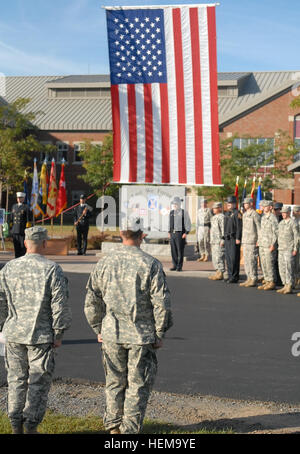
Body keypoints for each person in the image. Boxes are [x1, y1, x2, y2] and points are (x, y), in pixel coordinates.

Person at [84, 217, 173, 435]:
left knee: (114, 382)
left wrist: (98, 328)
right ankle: (129, 432)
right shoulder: (150, 264)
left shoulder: (105, 262)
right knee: (137, 384)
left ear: (121, 234)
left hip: (112, 332)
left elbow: (91, 300)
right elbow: (162, 303)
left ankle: (114, 428)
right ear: (142, 235)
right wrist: (160, 332)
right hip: (141, 336)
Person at [0, 226, 71, 434]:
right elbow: (60, 304)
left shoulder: (8, 268)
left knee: (16, 380)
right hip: (41, 336)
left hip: (13, 334)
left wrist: (3, 326)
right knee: (38, 382)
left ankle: (15, 425)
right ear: (45, 243)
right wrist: (58, 333)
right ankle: (31, 426)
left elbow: (0, 302)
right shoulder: (51, 269)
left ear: (25, 243)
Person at [276, 206, 298, 295]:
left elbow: (296, 237)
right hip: (281, 248)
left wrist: (295, 248)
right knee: (282, 268)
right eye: (282, 213)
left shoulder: (293, 223)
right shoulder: (281, 223)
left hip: (289, 248)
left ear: (289, 213)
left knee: (289, 267)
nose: (283, 214)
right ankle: (285, 284)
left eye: (285, 212)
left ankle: (289, 285)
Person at [257, 201, 278, 291]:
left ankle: (272, 281)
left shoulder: (272, 218)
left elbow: (276, 232)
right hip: (262, 244)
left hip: (269, 244)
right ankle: (267, 280)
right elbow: (261, 231)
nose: (264, 207)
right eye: (263, 206)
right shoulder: (263, 217)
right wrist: (258, 241)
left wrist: (273, 244)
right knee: (264, 263)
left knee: (270, 264)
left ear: (270, 207)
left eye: (266, 206)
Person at [240, 197, 261, 288]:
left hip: (252, 241)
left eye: (246, 203)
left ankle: (253, 278)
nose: (244, 205)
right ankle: (249, 277)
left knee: (252, 260)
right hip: (246, 241)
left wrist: (259, 240)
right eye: (244, 203)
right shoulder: (244, 215)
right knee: (247, 261)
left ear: (251, 204)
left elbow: (259, 228)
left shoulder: (255, 214)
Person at [168, 197, 191, 272]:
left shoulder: (184, 212)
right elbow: (170, 223)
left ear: (179, 204)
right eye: (174, 204)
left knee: (179, 251)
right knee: (173, 251)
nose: (175, 205)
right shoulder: (171, 212)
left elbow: (188, 223)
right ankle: (174, 265)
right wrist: (169, 232)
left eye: (176, 204)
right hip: (172, 234)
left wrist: (186, 233)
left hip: (180, 234)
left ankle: (179, 266)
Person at [224, 196, 243, 283]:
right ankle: (230, 275)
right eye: (228, 203)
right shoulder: (227, 213)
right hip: (227, 238)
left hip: (234, 238)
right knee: (228, 258)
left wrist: (238, 238)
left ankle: (235, 277)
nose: (228, 204)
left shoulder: (237, 213)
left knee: (234, 258)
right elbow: (225, 227)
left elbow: (239, 227)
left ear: (234, 204)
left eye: (230, 203)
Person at [10, 192, 32, 258]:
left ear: (23, 198)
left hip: (22, 231)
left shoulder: (26, 207)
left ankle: (22, 260)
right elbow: (11, 219)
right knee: (16, 247)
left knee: (22, 247)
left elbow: (28, 220)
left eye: (20, 198)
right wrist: (11, 229)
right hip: (15, 230)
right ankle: (16, 259)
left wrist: (27, 230)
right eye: (18, 198)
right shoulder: (14, 206)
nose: (19, 199)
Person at [208, 202, 225, 281]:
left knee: (219, 257)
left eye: (215, 208)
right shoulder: (213, 217)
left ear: (220, 208)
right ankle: (217, 271)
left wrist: (223, 239)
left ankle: (221, 272)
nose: (213, 209)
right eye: (213, 208)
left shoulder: (222, 217)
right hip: (214, 241)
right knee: (214, 257)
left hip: (219, 241)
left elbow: (223, 229)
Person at [293, 206, 300, 289]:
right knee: (295, 263)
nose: (294, 213)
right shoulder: (294, 220)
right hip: (296, 244)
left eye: (296, 211)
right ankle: (296, 279)